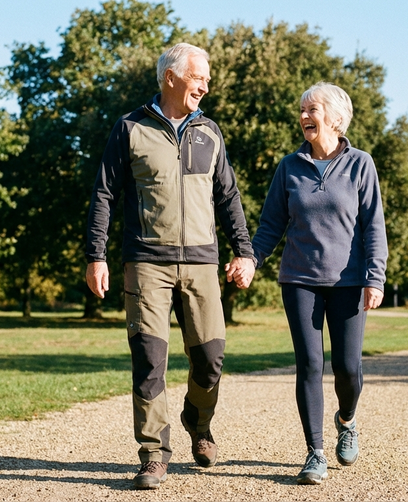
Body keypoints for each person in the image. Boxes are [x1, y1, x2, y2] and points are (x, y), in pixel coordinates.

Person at [85, 42, 255, 490]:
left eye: (207, 79)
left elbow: (228, 197)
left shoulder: (210, 132)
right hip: (146, 263)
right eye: (199, 77)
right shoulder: (130, 128)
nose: (206, 86)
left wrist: (245, 251)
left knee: (210, 360)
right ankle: (153, 454)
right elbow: (104, 194)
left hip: (201, 264)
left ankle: (198, 422)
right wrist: (96, 256)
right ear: (171, 77)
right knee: (149, 361)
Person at [238, 82, 387, 485]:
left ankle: (347, 419)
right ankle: (315, 451)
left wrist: (375, 277)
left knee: (348, 368)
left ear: (335, 118)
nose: (304, 116)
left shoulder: (361, 164)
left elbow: (373, 227)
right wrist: (251, 259)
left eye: (312, 109)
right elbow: (271, 225)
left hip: (349, 282)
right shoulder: (289, 167)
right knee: (309, 363)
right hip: (299, 279)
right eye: (302, 110)